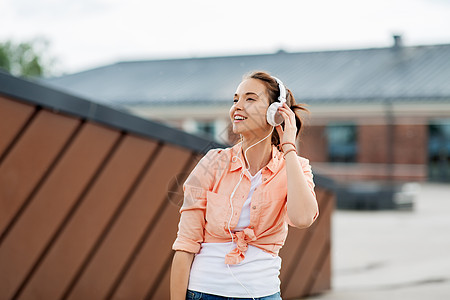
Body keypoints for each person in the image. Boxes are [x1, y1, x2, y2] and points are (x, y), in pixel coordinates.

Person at [170, 71, 319, 300]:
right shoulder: (213, 162)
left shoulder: (296, 167)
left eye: (250, 98)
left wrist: (289, 147)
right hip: (205, 293)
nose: (237, 106)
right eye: (235, 99)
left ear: (275, 113)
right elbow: (185, 245)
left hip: (264, 294)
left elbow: (302, 218)